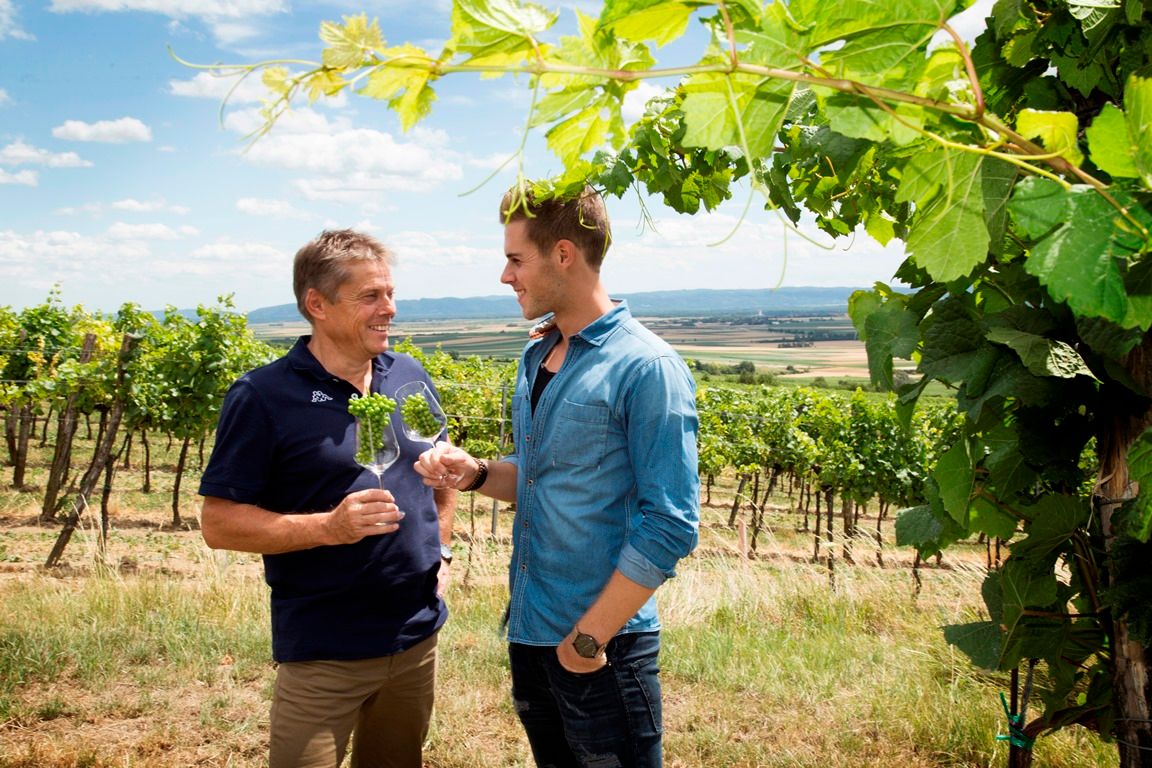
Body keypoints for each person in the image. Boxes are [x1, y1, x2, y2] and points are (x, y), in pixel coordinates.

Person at [415, 184, 700, 767]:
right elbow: (542, 478)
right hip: (532, 632)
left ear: (564, 255)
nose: (504, 276)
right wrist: (474, 474)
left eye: (516, 259)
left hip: (601, 648)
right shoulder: (537, 357)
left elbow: (671, 523)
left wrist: (587, 642)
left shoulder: (647, 367)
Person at [198, 229, 457, 768]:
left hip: (415, 638)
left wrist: (445, 549)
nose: (390, 308)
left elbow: (441, 465)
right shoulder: (264, 396)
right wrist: (328, 528)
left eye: (389, 293)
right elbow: (219, 524)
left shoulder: (405, 374)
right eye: (371, 297)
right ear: (317, 304)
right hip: (323, 651)